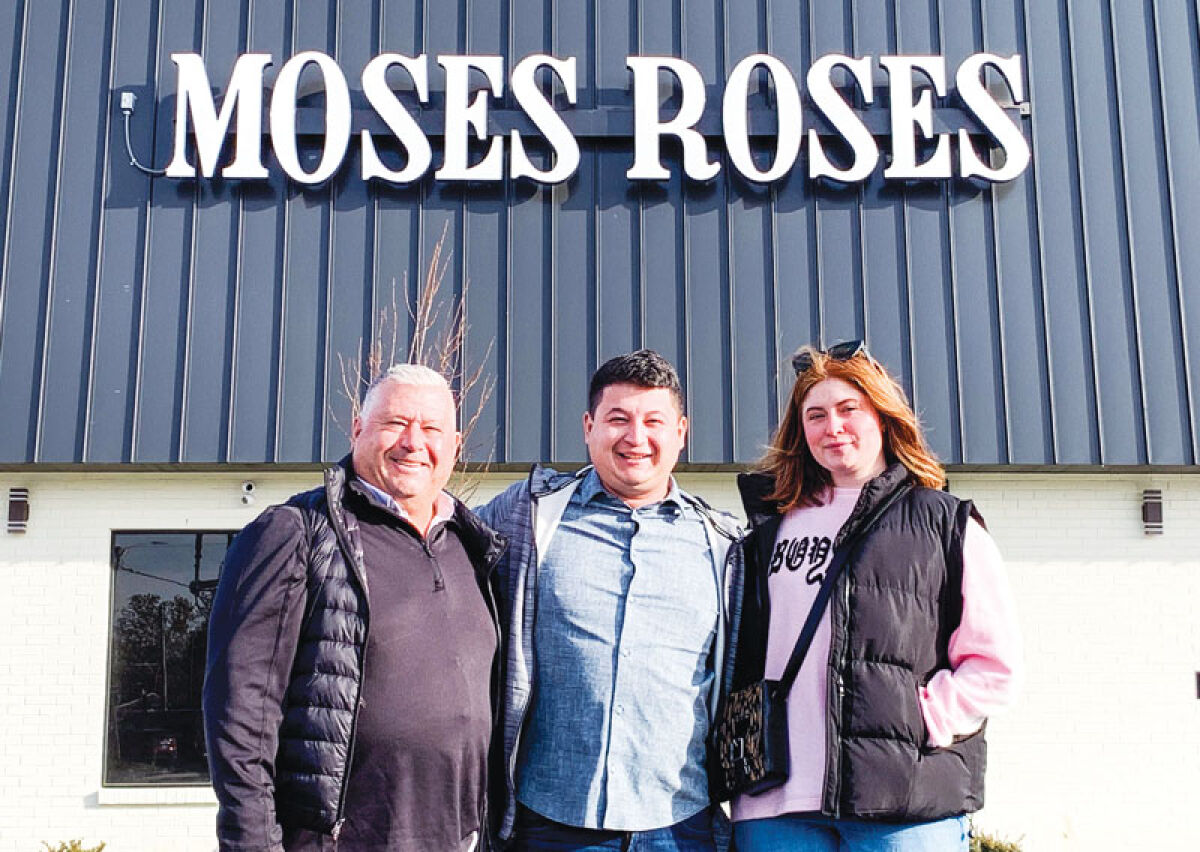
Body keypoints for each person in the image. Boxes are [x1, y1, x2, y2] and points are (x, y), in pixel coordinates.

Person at [725, 341, 1022, 852]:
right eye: (814, 415)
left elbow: (995, 666)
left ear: (883, 418)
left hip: (902, 802)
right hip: (774, 804)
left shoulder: (946, 524)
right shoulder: (765, 531)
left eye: (848, 410)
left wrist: (925, 720)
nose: (832, 426)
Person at [203, 364, 506, 852]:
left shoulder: (471, 547)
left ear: (453, 445)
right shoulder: (295, 533)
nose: (413, 442)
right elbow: (241, 715)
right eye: (395, 423)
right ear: (358, 429)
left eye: (430, 429)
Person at [474, 349, 743, 851]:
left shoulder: (725, 545)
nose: (635, 437)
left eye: (653, 421)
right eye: (618, 419)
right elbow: (431, 542)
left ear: (680, 432)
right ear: (588, 426)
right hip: (552, 821)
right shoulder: (530, 516)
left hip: (681, 825)